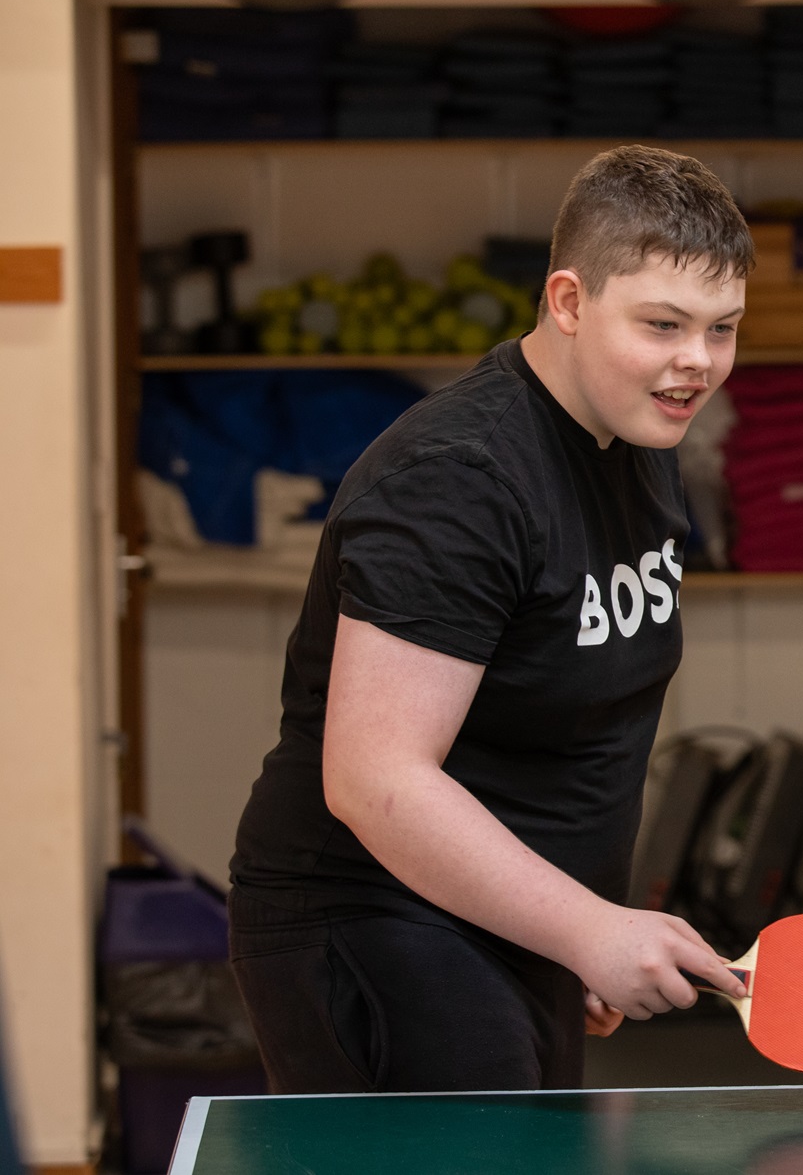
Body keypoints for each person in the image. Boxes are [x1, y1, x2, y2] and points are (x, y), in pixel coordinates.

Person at [228, 145, 752, 1092]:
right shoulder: (458, 479)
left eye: (722, 330)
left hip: (503, 918)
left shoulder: (639, 437)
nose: (697, 362)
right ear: (567, 301)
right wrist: (584, 927)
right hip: (375, 918)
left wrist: (573, 923)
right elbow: (373, 775)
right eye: (664, 324)